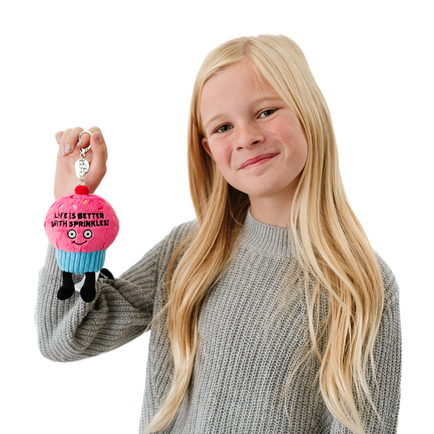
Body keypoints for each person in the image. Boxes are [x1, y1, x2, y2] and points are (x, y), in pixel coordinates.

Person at [36, 34, 401, 434]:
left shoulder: (359, 285)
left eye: (266, 111)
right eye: (224, 126)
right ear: (209, 150)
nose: (246, 137)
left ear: (308, 112)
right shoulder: (186, 253)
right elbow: (65, 338)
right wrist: (72, 210)